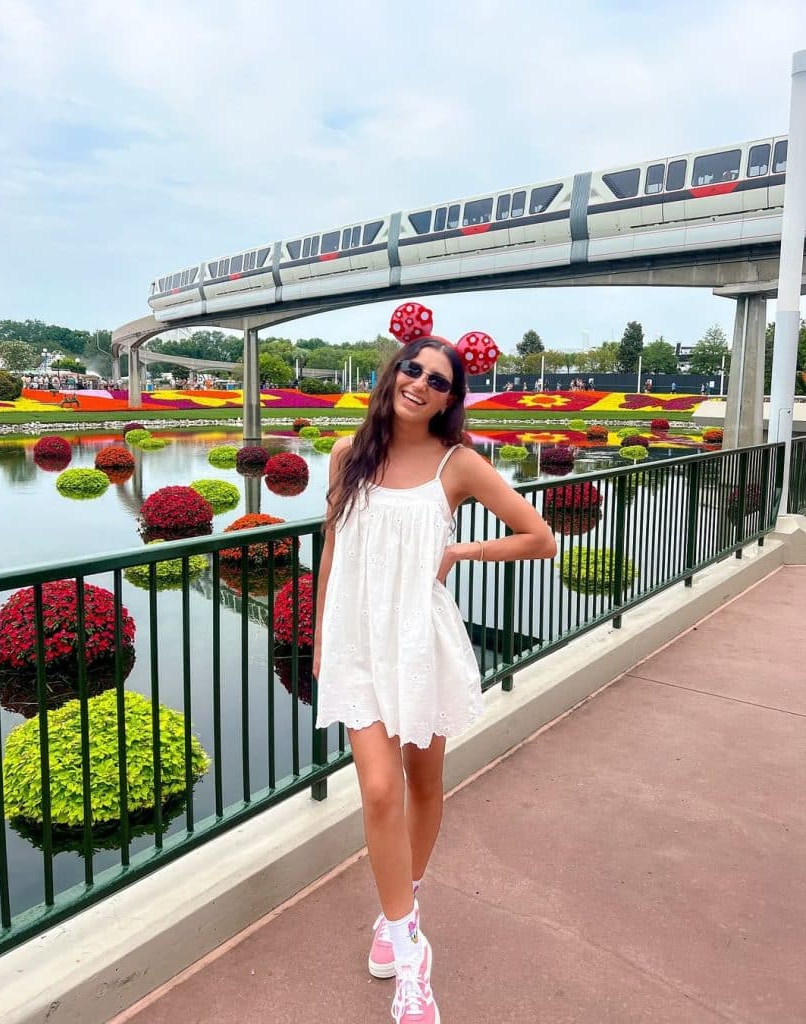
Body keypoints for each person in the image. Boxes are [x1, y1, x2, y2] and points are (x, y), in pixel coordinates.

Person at [314, 302, 556, 1023]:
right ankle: (409, 946)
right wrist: (323, 637)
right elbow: (333, 546)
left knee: (423, 782)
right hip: (358, 643)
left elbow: (538, 537)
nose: (420, 382)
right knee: (380, 790)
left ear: (451, 399)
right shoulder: (345, 455)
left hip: (422, 640)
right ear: (393, 370)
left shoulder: (460, 465)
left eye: (438, 380)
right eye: (413, 368)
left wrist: (457, 551)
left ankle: (401, 900)